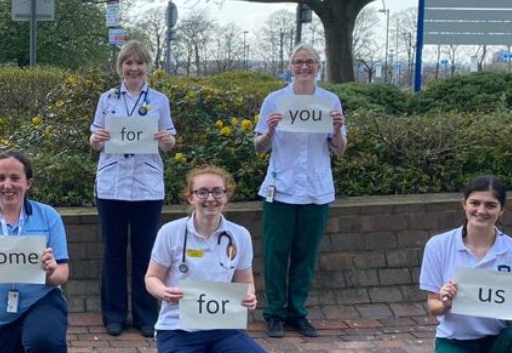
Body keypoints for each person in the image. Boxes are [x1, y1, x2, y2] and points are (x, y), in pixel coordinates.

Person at [252, 44, 345, 338]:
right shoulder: (275, 100)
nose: (304, 67)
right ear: (290, 66)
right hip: (280, 187)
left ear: (319, 67)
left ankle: (298, 312)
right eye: (299, 62)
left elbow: (339, 150)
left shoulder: (330, 100)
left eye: (310, 62)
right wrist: (269, 131)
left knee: (306, 255)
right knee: (276, 254)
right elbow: (258, 147)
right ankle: (275, 313)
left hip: (316, 189)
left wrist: (339, 129)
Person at [88, 40, 176, 337]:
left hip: (147, 187)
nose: (134, 68)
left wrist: (166, 140)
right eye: (128, 62)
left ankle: (145, 315)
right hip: (111, 185)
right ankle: (113, 314)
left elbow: (170, 139)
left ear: (147, 67)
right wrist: (97, 138)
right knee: (113, 253)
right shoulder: (107, 99)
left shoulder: (160, 100)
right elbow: (94, 139)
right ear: (121, 67)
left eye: (139, 63)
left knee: (145, 253)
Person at [0, 151, 70, 353]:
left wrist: (51, 271)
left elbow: (62, 274)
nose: (8, 185)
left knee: (44, 341)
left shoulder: (49, 216)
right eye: (1, 178)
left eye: (15, 178)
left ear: (28, 183)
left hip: (40, 301)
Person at [419, 176, 512, 353]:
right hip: (455, 341)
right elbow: (433, 306)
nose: (481, 211)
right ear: (464, 204)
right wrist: (446, 303)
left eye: (490, 205)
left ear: (501, 210)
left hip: (501, 338)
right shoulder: (438, 246)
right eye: (475, 203)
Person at [145, 166, 266, 353]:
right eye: (202, 192)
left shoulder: (240, 235)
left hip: (223, 329)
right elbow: (151, 278)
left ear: (226, 196)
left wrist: (248, 297)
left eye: (217, 191)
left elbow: (246, 282)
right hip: (176, 328)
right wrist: (164, 292)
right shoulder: (170, 232)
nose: (211, 198)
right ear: (191, 197)